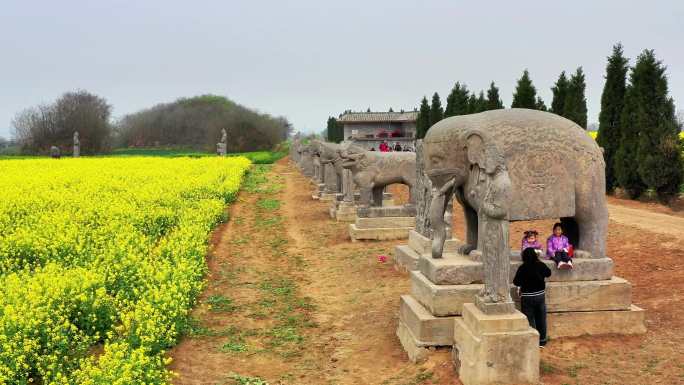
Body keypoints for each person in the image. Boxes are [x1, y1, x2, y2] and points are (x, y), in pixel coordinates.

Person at [514, 247, 552, 347]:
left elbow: (516, 282)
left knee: (529, 318)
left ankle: (532, 341)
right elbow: (549, 273)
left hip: (527, 297)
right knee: (541, 318)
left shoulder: (522, 267)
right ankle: (542, 341)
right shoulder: (540, 264)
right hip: (540, 295)